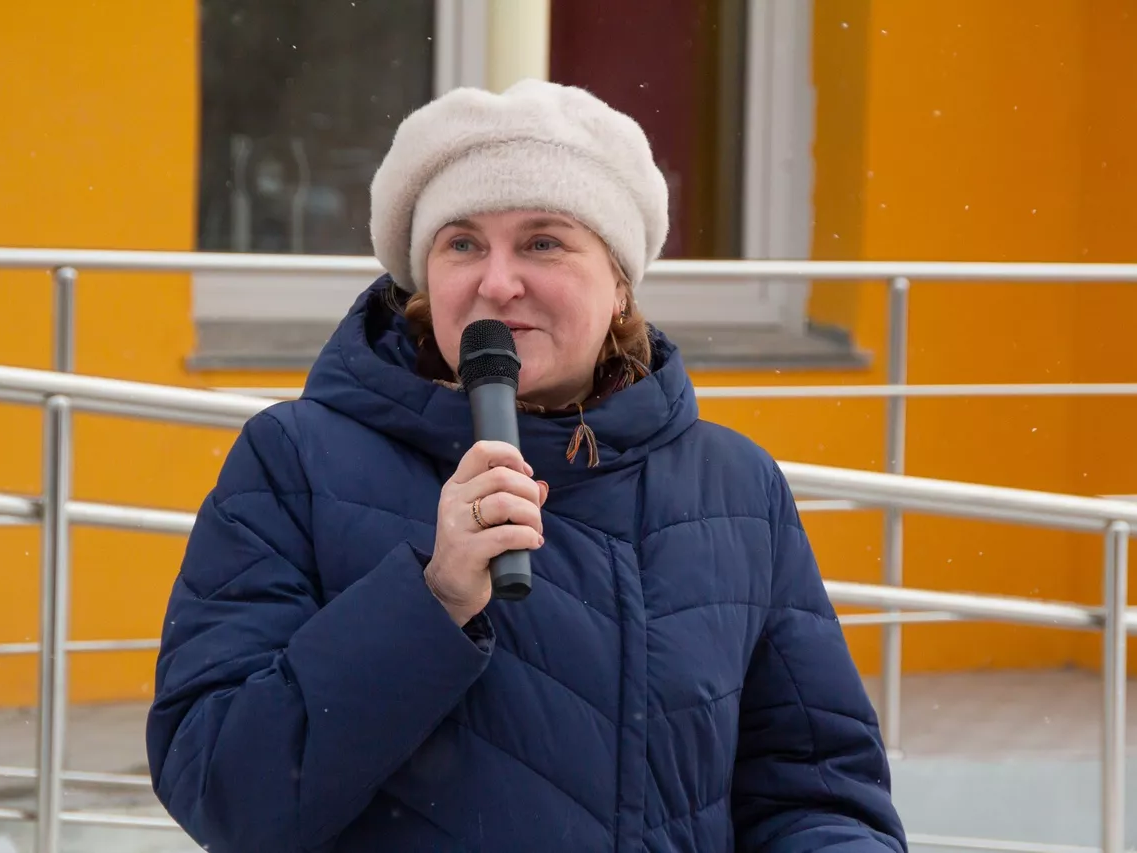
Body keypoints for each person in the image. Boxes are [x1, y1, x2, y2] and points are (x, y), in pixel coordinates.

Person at [146, 79, 906, 853]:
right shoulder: (295, 463)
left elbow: (816, 793)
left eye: (544, 242)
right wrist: (432, 599)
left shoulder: (735, 487)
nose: (498, 281)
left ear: (620, 287)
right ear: (425, 282)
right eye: (462, 244)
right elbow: (225, 790)